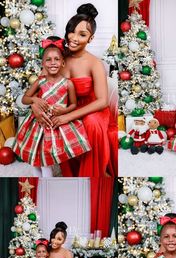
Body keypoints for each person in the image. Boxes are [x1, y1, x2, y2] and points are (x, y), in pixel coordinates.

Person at [31, 3, 116, 177]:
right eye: (72, 31)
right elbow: (39, 89)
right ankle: (59, 171)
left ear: (90, 38)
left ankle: (90, 174)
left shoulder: (94, 63)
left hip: (93, 109)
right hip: (68, 106)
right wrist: (35, 106)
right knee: (49, 121)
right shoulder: (57, 59)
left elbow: (102, 101)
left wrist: (67, 117)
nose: (74, 38)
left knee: (91, 123)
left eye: (82, 34)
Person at [13, 36, 91, 178]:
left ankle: (47, 181)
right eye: (48, 60)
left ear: (62, 63)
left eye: (56, 59)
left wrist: (64, 111)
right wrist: (35, 100)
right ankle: (39, 178)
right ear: (42, 64)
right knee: (36, 162)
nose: (52, 63)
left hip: (55, 124)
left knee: (45, 162)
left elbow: (73, 104)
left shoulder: (68, 84)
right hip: (39, 124)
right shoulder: (40, 81)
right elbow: (25, 99)